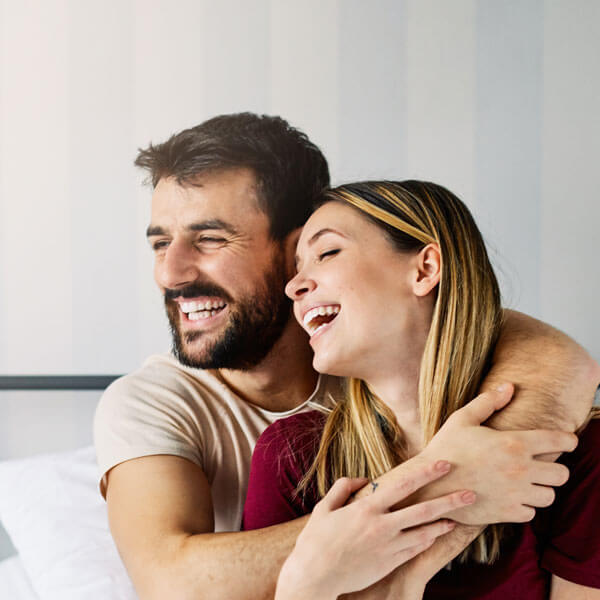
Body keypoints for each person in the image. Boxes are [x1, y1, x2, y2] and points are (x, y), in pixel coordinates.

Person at [93, 113, 599, 600]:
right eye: (160, 244)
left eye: (209, 238)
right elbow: (171, 586)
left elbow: (545, 351)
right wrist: (445, 482)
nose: (170, 273)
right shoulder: (217, 425)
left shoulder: (382, 343)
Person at [243, 180, 600, 599]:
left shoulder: (579, 453)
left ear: (425, 269)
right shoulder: (292, 457)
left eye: (327, 253)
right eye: (297, 269)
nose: (294, 287)